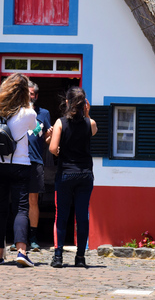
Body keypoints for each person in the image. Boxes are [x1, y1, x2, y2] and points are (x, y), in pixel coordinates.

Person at [0, 72, 37, 268]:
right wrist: (28, 104)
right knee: (21, 209)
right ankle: (21, 252)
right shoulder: (28, 113)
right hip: (20, 164)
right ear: (25, 92)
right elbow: (33, 128)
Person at [48, 86, 97, 269]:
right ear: (85, 104)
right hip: (85, 174)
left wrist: (59, 150)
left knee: (61, 215)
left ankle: (58, 256)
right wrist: (88, 113)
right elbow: (93, 130)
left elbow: (53, 148)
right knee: (82, 215)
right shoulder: (89, 123)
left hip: (66, 173)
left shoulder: (61, 123)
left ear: (67, 102)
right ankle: (80, 257)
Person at [27, 81, 51, 250]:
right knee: (19, 201)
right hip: (19, 162)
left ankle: (33, 237)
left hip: (35, 161)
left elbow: (48, 140)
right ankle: (19, 237)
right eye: (27, 93)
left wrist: (50, 136)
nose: (30, 96)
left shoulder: (44, 114)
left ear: (36, 95)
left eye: (32, 93)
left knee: (33, 200)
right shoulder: (17, 113)